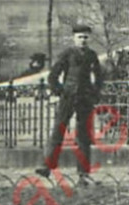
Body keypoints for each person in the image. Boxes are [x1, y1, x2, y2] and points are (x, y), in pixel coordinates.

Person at [38, 22, 104, 181]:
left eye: (86, 37)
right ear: (73, 38)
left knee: (83, 136)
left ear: (90, 38)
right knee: (58, 130)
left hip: (85, 98)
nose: (83, 40)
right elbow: (53, 75)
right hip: (68, 97)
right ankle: (47, 166)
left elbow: (99, 76)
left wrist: (94, 93)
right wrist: (61, 91)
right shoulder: (67, 53)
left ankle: (83, 173)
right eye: (80, 37)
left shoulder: (92, 55)